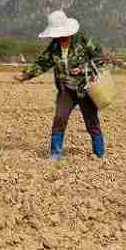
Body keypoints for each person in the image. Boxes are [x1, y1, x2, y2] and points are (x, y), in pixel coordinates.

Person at [14, 10, 106, 161]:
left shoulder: (84, 41)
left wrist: (83, 69)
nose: (59, 37)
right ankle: (56, 154)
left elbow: (101, 60)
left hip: (85, 88)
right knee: (59, 119)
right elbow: (43, 63)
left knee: (92, 121)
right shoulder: (54, 46)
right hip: (66, 90)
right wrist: (25, 75)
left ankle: (100, 154)